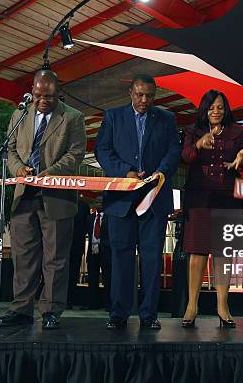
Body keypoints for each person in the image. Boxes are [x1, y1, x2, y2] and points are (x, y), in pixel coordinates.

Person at [0, 70, 86, 329]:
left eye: (47, 96)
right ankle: (21, 309)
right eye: (37, 96)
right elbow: (10, 148)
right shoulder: (20, 114)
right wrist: (18, 170)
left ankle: (51, 310)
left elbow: (76, 153)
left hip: (56, 196)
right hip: (24, 195)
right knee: (23, 256)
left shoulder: (72, 117)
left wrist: (51, 172)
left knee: (55, 257)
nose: (41, 101)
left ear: (58, 93)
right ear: (32, 92)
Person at [95, 74, 181, 330]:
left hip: (154, 199)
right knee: (121, 258)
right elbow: (103, 150)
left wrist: (162, 172)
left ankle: (149, 315)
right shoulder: (113, 117)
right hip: (121, 200)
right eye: (140, 95)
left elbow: (173, 151)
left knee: (152, 259)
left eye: (150, 96)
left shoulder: (166, 119)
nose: (144, 100)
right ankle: (118, 313)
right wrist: (125, 172)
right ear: (130, 93)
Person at [180, 90, 243, 328]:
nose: (216, 111)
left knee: (224, 253)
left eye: (220, 107)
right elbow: (186, 157)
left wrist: (241, 160)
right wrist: (199, 144)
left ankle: (222, 305)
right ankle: (192, 305)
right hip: (199, 198)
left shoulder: (238, 132)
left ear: (226, 109)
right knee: (197, 253)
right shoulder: (193, 131)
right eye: (212, 107)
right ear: (204, 109)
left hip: (227, 198)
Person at [84, 206, 111, 310]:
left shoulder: (109, 217)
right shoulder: (90, 218)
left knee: (107, 278)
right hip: (92, 252)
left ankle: (108, 303)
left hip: (106, 251)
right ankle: (92, 303)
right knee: (92, 277)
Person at [67, 197, 90, 309]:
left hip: (73, 243)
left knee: (71, 272)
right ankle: (68, 300)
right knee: (72, 272)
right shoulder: (84, 205)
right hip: (74, 242)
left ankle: (68, 299)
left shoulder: (83, 205)